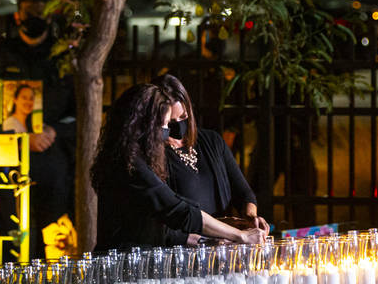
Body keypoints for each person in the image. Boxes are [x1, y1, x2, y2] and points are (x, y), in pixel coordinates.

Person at [92, 83, 268, 251]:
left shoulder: (129, 156)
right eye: (165, 124)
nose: (168, 131)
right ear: (146, 125)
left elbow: (162, 225)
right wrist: (240, 236)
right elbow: (176, 210)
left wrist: (215, 236)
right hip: (122, 267)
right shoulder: (130, 164)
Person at [0, 0, 76, 258]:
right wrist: (19, 135)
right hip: (8, 162)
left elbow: (82, 115)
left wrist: (54, 131)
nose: (34, 18)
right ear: (18, 15)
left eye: (40, 13)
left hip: (52, 163)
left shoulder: (62, 58)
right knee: (10, 237)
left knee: (52, 240)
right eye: (28, 12)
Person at [152, 74, 268, 245]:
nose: (178, 126)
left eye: (183, 117)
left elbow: (243, 193)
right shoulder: (154, 155)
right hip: (186, 251)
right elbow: (166, 222)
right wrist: (212, 237)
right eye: (171, 122)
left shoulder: (212, 141)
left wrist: (251, 217)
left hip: (225, 245)